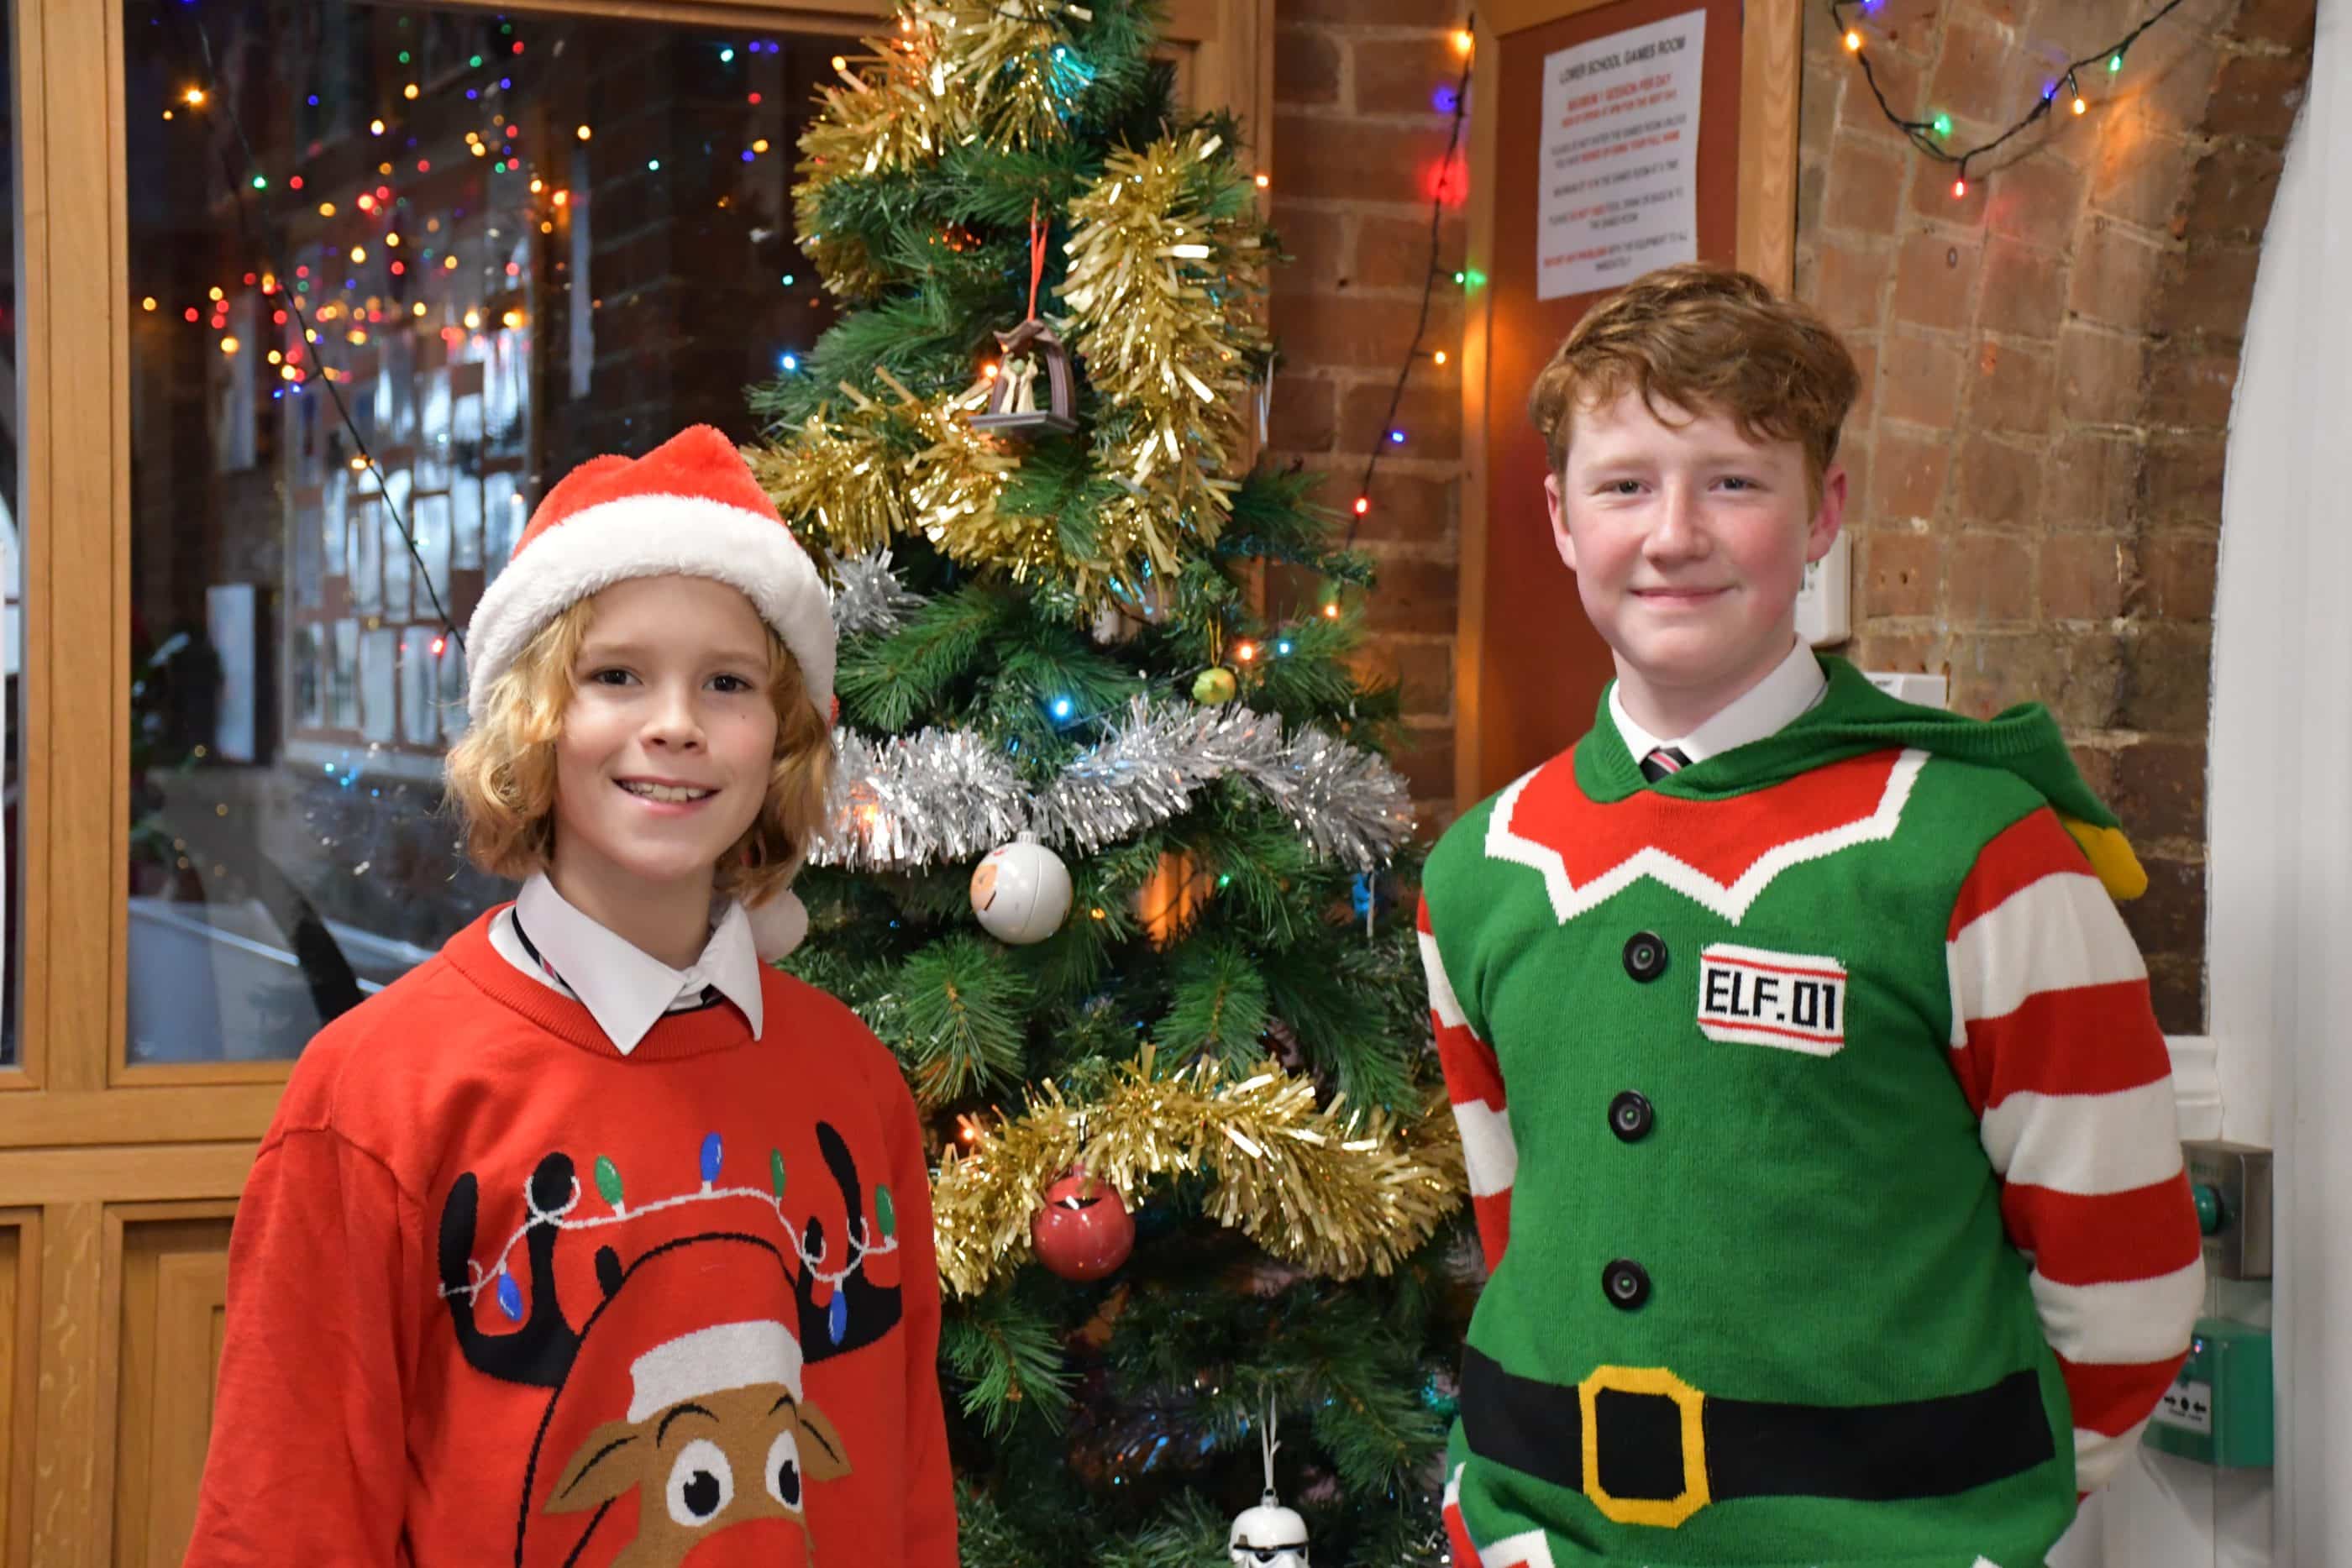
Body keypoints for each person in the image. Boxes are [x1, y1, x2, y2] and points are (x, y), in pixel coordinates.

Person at [1418, 263, 2203, 1568]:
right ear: (1560, 519)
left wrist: (1971, 1517)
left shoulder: (1979, 852)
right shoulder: (1481, 869)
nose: (1674, 535)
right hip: (1534, 1537)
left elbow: (2125, 1283)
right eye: (1623, 486)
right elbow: (1522, 1225)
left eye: (1734, 482)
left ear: (1823, 512)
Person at [186, 426, 958, 1568]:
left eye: (728, 683)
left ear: (785, 737)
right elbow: (283, 1522)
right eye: (616, 676)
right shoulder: (375, 1094)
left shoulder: (854, 1083)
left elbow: (905, 1487)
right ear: (532, 720)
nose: (676, 723)